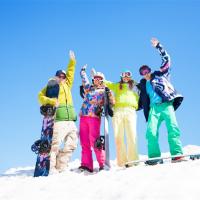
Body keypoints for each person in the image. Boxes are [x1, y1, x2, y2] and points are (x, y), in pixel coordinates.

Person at [138, 38, 184, 165]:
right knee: (151, 132)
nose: (145, 73)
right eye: (142, 73)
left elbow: (167, 60)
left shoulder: (160, 75)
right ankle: (154, 157)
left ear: (150, 70)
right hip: (154, 109)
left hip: (166, 105)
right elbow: (138, 102)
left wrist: (158, 46)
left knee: (173, 129)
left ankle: (177, 154)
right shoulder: (142, 85)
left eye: (147, 70)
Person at [38, 50, 78, 173]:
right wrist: (50, 101)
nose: (61, 78)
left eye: (63, 76)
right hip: (59, 119)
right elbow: (40, 96)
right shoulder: (52, 86)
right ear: (56, 77)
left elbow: (71, 73)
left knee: (72, 144)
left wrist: (72, 62)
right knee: (55, 145)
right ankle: (51, 167)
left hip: (71, 120)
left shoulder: (67, 85)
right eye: (59, 76)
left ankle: (62, 166)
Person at [104, 70, 139, 167]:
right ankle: (122, 162)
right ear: (121, 77)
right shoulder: (117, 86)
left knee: (131, 135)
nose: (126, 77)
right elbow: (107, 83)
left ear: (131, 77)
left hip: (130, 110)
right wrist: (99, 77)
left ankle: (133, 161)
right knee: (118, 137)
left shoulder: (135, 85)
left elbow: (145, 86)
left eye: (128, 75)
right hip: (118, 111)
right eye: (124, 75)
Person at [79, 65, 108, 173]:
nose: (97, 80)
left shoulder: (104, 90)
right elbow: (84, 80)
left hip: (94, 117)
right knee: (84, 141)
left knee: (94, 140)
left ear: (102, 80)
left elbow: (111, 102)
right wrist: (82, 71)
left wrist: (109, 95)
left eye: (99, 79)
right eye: (95, 78)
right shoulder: (89, 89)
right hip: (84, 116)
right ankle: (87, 165)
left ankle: (102, 163)